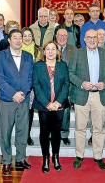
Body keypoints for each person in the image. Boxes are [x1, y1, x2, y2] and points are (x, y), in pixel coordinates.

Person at [69, 29, 105, 171]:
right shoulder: (77, 53)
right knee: (80, 128)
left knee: (99, 128)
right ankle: (79, 155)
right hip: (81, 94)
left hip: (99, 95)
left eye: (94, 37)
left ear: (98, 39)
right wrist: (82, 83)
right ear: (84, 39)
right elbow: (70, 73)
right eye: (89, 37)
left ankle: (98, 156)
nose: (92, 40)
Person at [0, 29, 34, 175]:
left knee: (22, 131)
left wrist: (23, 93)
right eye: (15, 38)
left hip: (23, 99)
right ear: (9, 40)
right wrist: (13, 94)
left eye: (20, 37)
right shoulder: (1, 56)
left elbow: (30, 77)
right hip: (7, 100)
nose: (18, 40)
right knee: (5, 132)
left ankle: (20, 158)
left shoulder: (29, 56)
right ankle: (6, 160)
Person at [33, 41, 70, 173]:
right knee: (44, 133)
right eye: (47, 49)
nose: (50, 51)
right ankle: (46, 158)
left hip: (59, 106)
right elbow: (36, 86)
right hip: (44, 106)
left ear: (57, 51)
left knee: (56, 133)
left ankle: (55, 157)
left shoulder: (63, 65)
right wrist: (47, 104)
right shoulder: (38, 66)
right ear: (43, 52)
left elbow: (66, 85)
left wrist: (58, 102)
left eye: (53, 49)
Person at [21, 27, 42, 146]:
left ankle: (28, 135)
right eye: (25, 36)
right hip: (20, 86)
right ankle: (22, 134)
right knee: (22, 112)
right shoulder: (17, 49)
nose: (27, 38)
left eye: (29, 35)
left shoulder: (38, 50)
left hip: (34, 87)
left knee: (29, 112)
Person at [55, 28, 77, 145]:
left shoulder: (74, 50)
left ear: (67, 38)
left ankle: (64, 134)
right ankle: (52, 133)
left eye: (64, 36)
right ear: (56, 36)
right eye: (60, 35)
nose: (62, 38)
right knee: (52, 112)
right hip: (52, 86)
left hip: (68, 87)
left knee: (66, 112)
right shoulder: (51, 48)